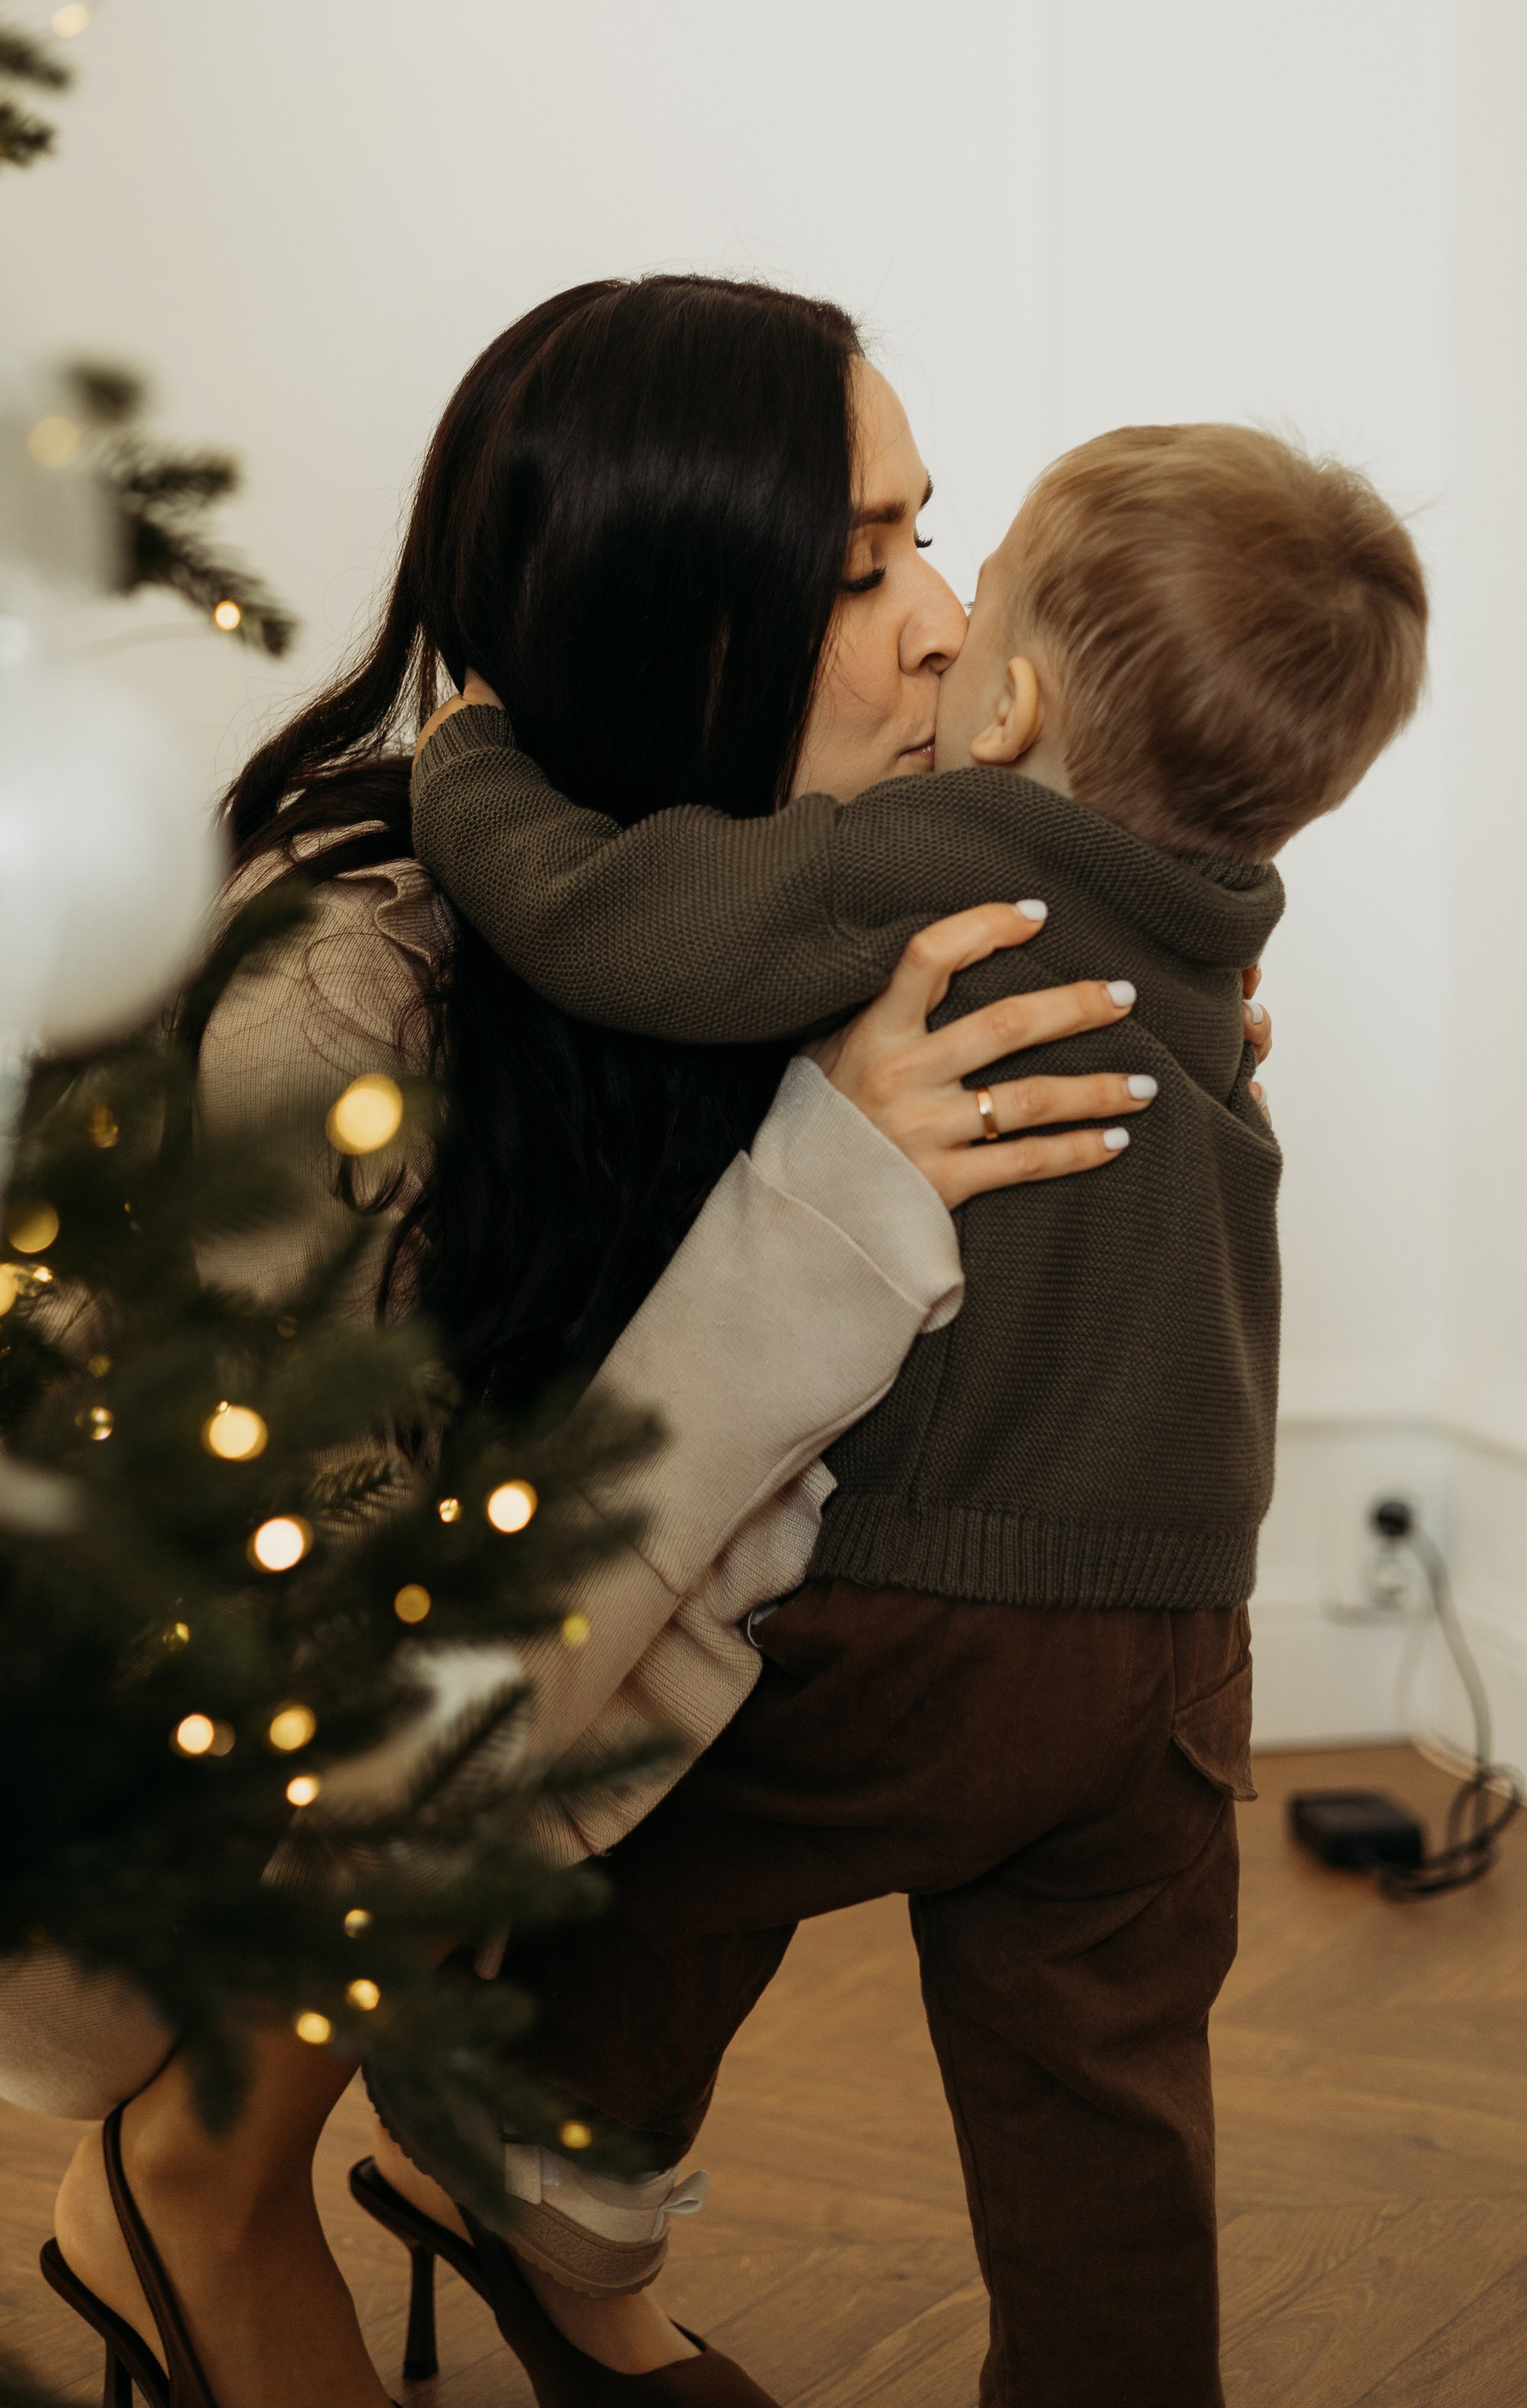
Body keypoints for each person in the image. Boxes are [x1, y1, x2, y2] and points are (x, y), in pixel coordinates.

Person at [0, 275, 1224, 2408]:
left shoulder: (783, 903)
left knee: (867, 1625)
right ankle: (199, 2179)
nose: (937, 627)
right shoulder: (348, 1005)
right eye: (854, 570)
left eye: (925, 539)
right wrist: (825, 1207)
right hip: (152, 1780)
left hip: (490, 1703)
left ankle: (532, 2231)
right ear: (668, 624)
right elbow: (349, 1678)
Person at [397, 419, 1425, 2407]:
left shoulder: (954, 859)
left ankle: (542, 2168)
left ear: (1021, 698)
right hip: (1183, 1644)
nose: (939, 640)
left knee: (672, 1835)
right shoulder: (1220, 929)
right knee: (1105, 2095)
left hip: (939, 1604)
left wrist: (471, 760)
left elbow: (629, 918)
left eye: (971, 592)